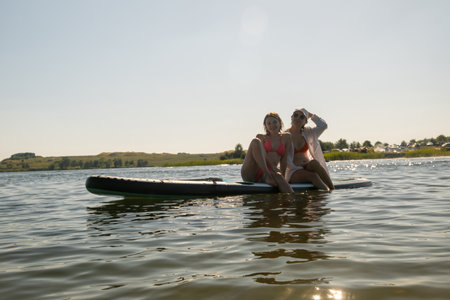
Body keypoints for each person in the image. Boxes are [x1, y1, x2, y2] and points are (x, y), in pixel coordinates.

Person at [241, 112, 294, 193]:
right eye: (269, 123)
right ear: (265, 126)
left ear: (280, 123)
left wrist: (283, 177)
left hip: (268, 173)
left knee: (279, 177)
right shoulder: (261, 137)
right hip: (253, 171)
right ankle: (268, 175)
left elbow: (284, 160)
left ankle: (291, 203)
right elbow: (263, 155)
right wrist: (272, 167)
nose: (272, 125)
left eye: (275, 122)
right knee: (255, 141)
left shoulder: (287, 137)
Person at [285, 108, 334, 191]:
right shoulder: (284, 136)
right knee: (313, 176)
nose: (298, 118)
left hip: (307, 166)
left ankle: (332, 189)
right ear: (292, 117)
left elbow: (323, 125)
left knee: (314, 163)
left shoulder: (309, 133)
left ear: (305, 121)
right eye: (296, 115)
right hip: (293, 171)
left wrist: (311, 115)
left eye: (302, 117)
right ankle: (327, 192)